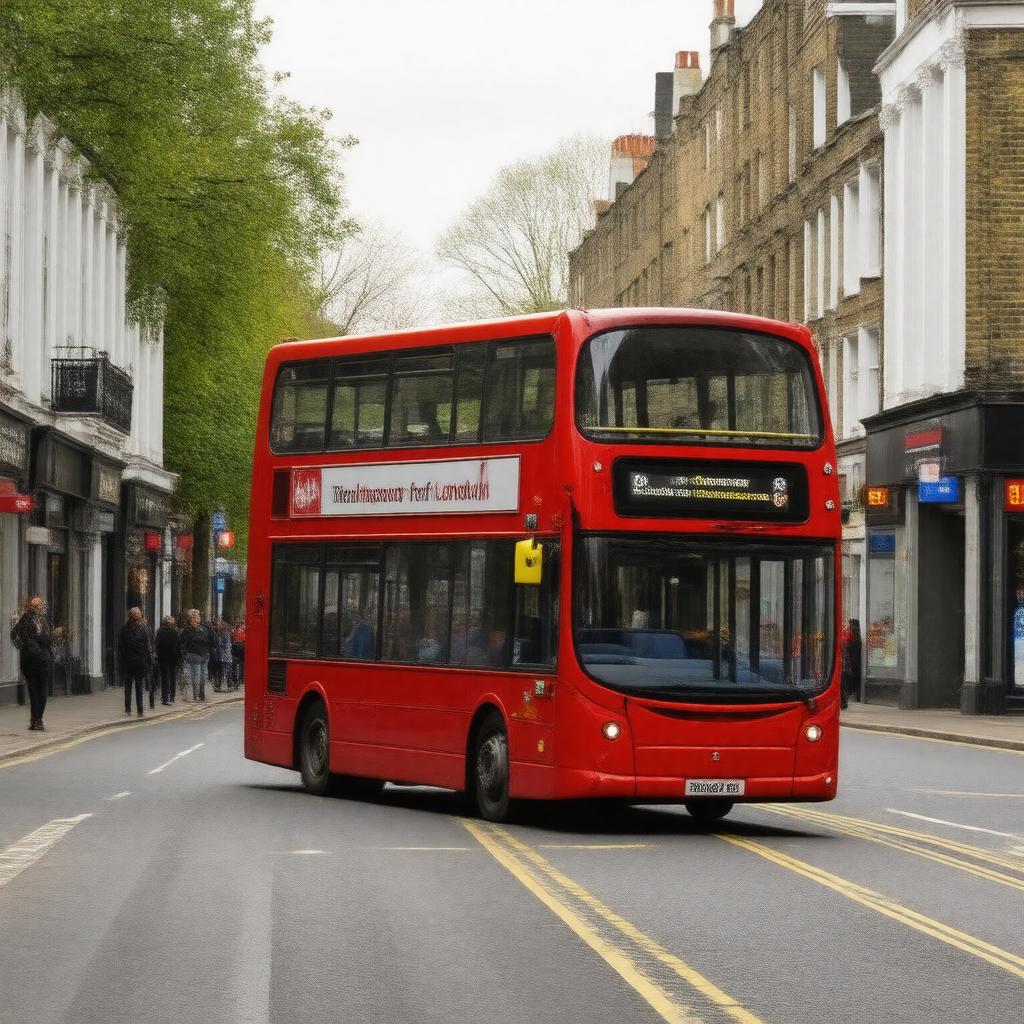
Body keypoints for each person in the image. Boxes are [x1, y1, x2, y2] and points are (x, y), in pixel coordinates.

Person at [13, 596, 52, 731]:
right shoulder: (25, 620)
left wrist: (45, 654)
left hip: (44, 662)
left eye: (40, 604)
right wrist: (40, 652)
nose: (39, 607)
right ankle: (35, 721)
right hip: (30, 663)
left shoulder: (44, 620)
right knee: (34, 693)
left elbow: (48, 638)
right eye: (36, 605)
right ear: (30, 607)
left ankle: (38, 719)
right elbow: (28, 641)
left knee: (43, 693)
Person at [118, 607, 152, 717]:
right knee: (139, 687)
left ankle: (128, 709)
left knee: (127, 687)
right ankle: (140, 709)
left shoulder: (124, 629)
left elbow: (121, 647)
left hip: (128, 662)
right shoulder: (144, 629)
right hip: (140, 662)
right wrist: (147, 661)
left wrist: (122, 661)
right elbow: (147, 648)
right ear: (139, 616)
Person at [182, 609, 212, 702]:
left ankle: (202, 694)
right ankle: (196, 695)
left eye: (198, 616)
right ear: (191, 618)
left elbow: (209, 639)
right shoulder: (188, 629)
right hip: (194, 654)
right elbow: (184, 642)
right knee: (196, 676)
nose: (197, 618)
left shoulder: (203, 628)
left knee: (203, 676)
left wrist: (208, 648)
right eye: (195, 616)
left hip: (204, 654)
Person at [155, 616, 182, 705]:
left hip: (163, 658)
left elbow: (157, 645)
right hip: (172, 658)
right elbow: (178, 646)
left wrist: (158, 655)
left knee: (165, 678)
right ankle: (172, 696)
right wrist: (179, 657)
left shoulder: (159, 632)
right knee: (172, 677)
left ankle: (165, 698)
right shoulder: (175, 632)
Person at [841, 618, 863, 709]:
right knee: (850, 681)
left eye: (850, 625)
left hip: (851, 662)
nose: (849, 626)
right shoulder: (856, 635)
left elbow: (847, 649)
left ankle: (845, 700)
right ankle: (850, 697)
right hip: (853, 662)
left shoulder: (850, 635)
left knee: (846, 682)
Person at [230, 620, 245, 689]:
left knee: (235, 668)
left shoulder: (233, 634)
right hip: (241, 653)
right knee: (241, 667)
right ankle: (240, 679)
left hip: (235, 653)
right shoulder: (244, 634)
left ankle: (235, 681)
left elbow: (231, 642)